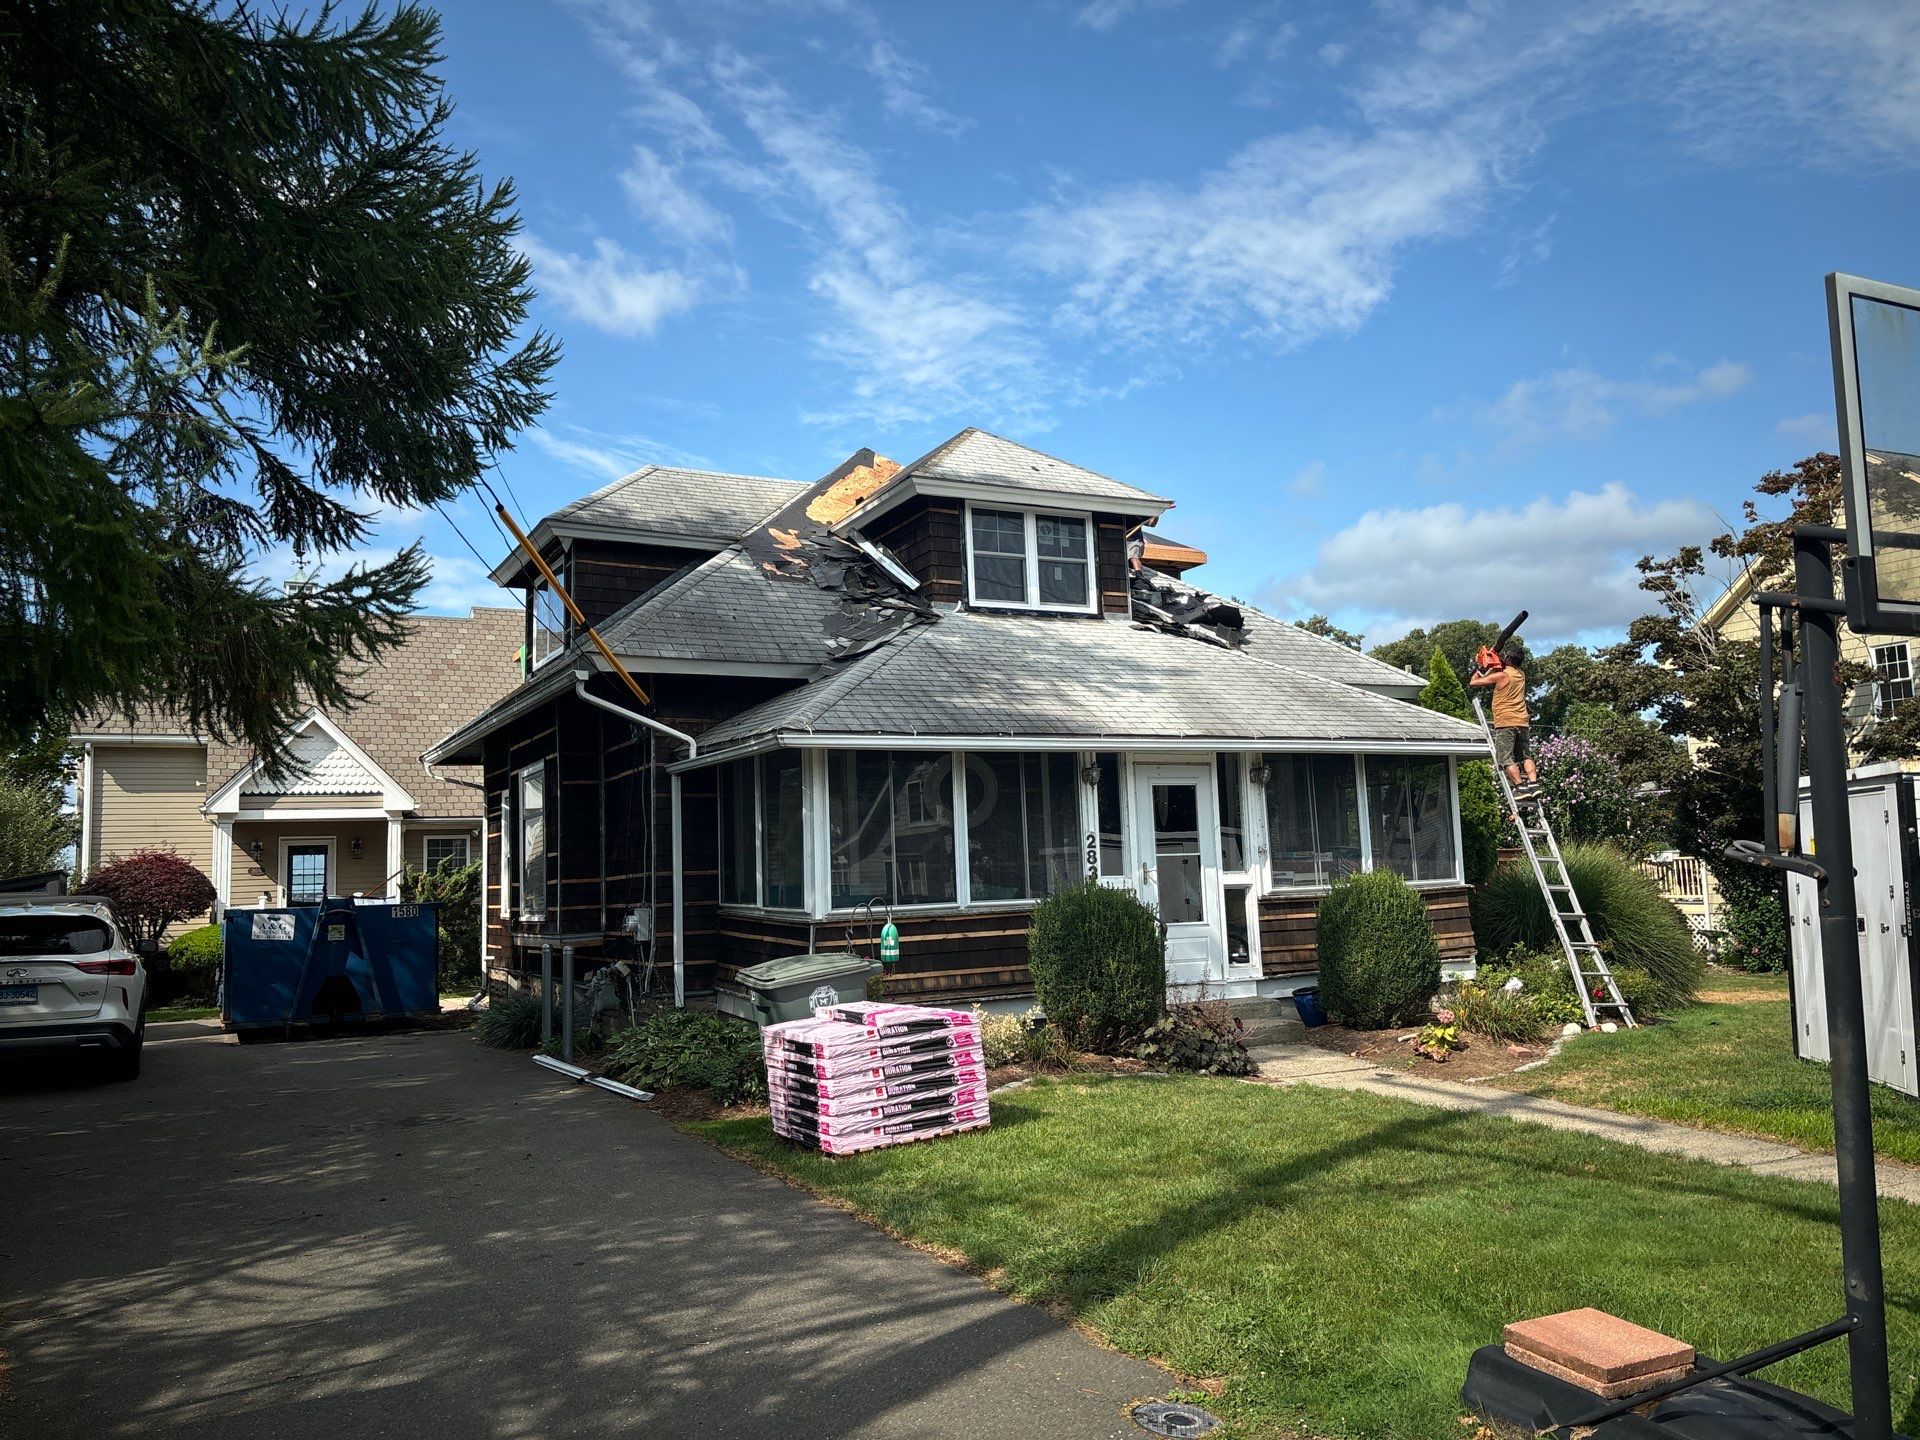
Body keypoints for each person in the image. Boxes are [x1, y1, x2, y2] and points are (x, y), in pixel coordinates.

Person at [1470, 643, 1539, 799]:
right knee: (1526, 757)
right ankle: (1534, 784)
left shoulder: (1502, 675)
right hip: (1522, 722)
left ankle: (1520, 788)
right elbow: (1502, 665)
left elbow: (1473, 682)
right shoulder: (1521, 674)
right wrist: (1493, 660)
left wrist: (1480, 666)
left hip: (1506, 722)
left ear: (1508, 658)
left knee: (1505, 758)